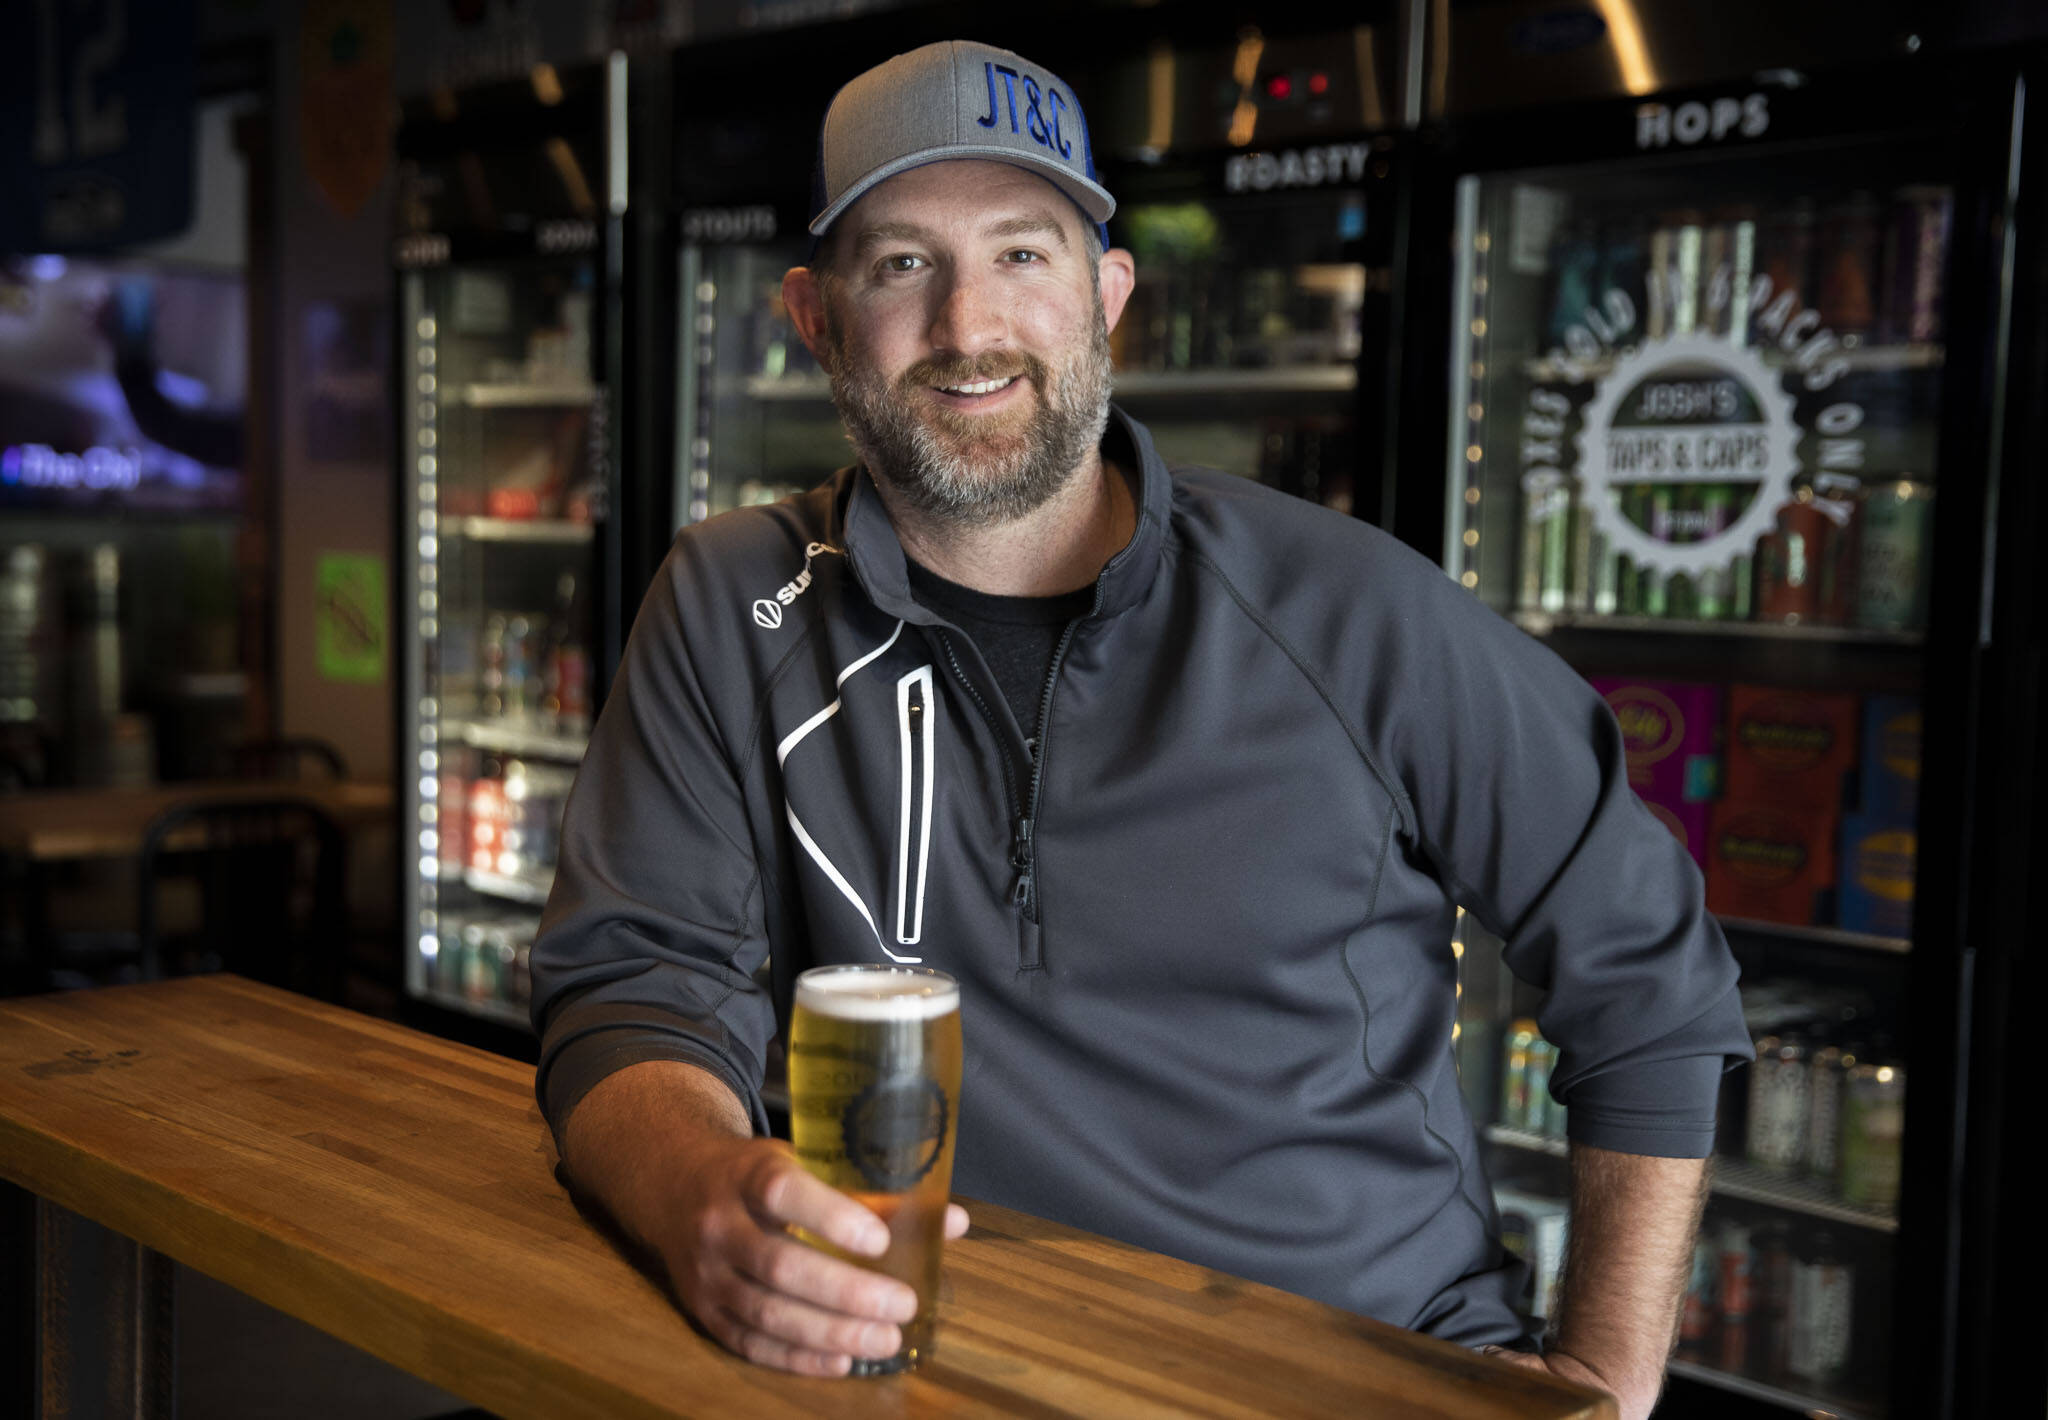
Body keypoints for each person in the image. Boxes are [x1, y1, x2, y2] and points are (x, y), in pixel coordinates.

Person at [531, 39, 1752, 1417]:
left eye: (1023, 255)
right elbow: (629, 985)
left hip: (1355, 1366)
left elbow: (1648, 964)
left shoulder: (1348, 608)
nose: (967, 325)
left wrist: (1603, 1376)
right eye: (900, 265)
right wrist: (702, 1192)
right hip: (939, 1367)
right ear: (813, 318)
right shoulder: (732, 602)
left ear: (1109, 296)